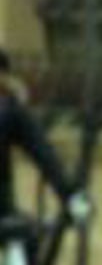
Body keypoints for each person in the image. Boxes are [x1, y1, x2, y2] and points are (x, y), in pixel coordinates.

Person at [0, 48, 92, 238]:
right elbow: (46, 158)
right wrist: (73, 199)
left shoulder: (10, 111)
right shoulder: (10, 111)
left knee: (22, 235)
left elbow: (46, 157)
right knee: (24, 238)